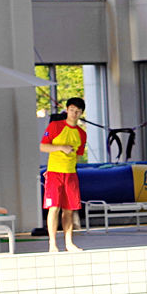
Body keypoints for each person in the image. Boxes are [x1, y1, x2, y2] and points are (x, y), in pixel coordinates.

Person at [40, 97, 88, 253]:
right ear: (67, 110)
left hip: (71, 174)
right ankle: (52, 243)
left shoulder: (81, 134)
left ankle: (69, 243)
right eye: (72, 110)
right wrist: (61, 147)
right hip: (54, 173)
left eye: (78, 111)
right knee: (54, 208)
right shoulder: (55, 125)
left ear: (81, 113)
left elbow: (78, 155)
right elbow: (43, 146)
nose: (74, 113)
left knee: (69, 209)